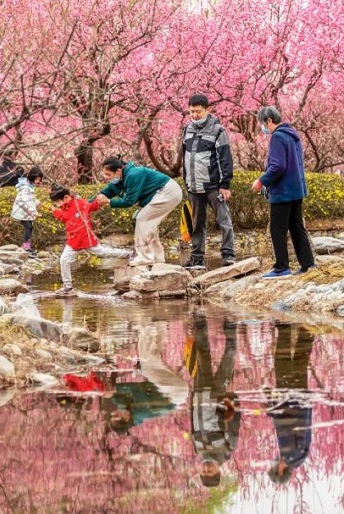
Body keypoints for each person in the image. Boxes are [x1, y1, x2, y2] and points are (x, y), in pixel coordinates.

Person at [251, 106, 316, 279]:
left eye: (262, 123)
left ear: (269, 121)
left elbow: (278, 166)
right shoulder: (292, 135)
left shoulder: (278, 137)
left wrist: (261, 181)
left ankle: (281, 268)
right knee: (296, 227)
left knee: (277, 229)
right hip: (296, 189)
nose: (262, 127)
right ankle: (308, 264)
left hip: (283, 191)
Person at [185, 311, 241, 488]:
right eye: (210, 472)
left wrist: (192, 401)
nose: (206, 468)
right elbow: (233, 422)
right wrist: (233, 400)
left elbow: (193, 424)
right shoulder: (227, 449)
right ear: (218, 471)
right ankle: (230, 323)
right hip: (218, 395)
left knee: (202, 352)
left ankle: (199, 318)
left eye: (204, 472)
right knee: (230, 354)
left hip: (200, 394)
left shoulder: (198, 450)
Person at [181, 94, 236, 270]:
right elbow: (185, 158)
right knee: (197, 224)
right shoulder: (187, 130)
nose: (194, 115)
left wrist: (225, 184)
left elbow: (225, 158)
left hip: (213, 186)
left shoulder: (217, 130)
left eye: (198, 111)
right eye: (191, 112)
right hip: (194, 186)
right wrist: (186, 181)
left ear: (207, 110)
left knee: (224, 221)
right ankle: (197, 258)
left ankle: (228, 255)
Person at [95, 157, 183, 267]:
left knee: (142, 219)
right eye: (105, 175)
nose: (106, 178)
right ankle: (157, 258)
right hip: (161, 193)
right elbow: (102, 194)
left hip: (168, 192)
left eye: (108, 174)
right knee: (149, 224)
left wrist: (108, 201)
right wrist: (85, 205)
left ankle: (145, 258)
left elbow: (129, 201)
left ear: (118, 171)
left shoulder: (133, 174)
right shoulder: (117, 181)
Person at [49, 185, 131, 297]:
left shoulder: (79, 203)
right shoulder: (65, 208)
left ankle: (128, 254)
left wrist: (99, 201)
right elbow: (64, 217)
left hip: (85, 238)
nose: (58, 205)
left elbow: (91, 206)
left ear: (66, 197)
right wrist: (55, 211)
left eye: (58, 202)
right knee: (64, 260)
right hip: (73, 241)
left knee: (103, 252)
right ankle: (68, 287)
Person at [267, 323, 314, 484]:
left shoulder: (301, 457)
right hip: (290, 401)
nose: (272, 463)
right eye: (273, 467)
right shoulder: (288, 454)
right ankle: (285, 327)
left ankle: (307, 329)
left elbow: (306, 428)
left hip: (302, 402)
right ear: (280, 470)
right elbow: (284, 425)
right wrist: (272, 405)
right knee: (282, 362)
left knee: (300, 363)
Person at [10, 166, 43, 255]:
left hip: (25, 211)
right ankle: (26, 248)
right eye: (37, 179)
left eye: (39, 179)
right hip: (22, 211)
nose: (38, 181)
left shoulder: (29, 185)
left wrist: (37, 202)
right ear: (32, 177)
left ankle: (27, 247)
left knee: (30, 227)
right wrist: (34, 212)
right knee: (28, 227)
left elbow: (31, 198)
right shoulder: (25, 187)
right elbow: (26, 201)